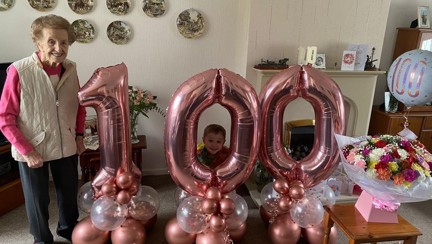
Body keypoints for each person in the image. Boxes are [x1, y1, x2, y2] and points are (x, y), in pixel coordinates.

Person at [0, 15, 86, 244]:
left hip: (65, 141)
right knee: (37, 200)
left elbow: (79, 107)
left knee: (68, 194)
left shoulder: (71, 69)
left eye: (64, 42)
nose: (59, 48)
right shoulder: (19, 71)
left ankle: (68, 230)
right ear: (38, 42)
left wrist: (79, 135)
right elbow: (5, 118)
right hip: (31, 146)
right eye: (51, 41)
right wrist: (27, 151)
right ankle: (41, 239)